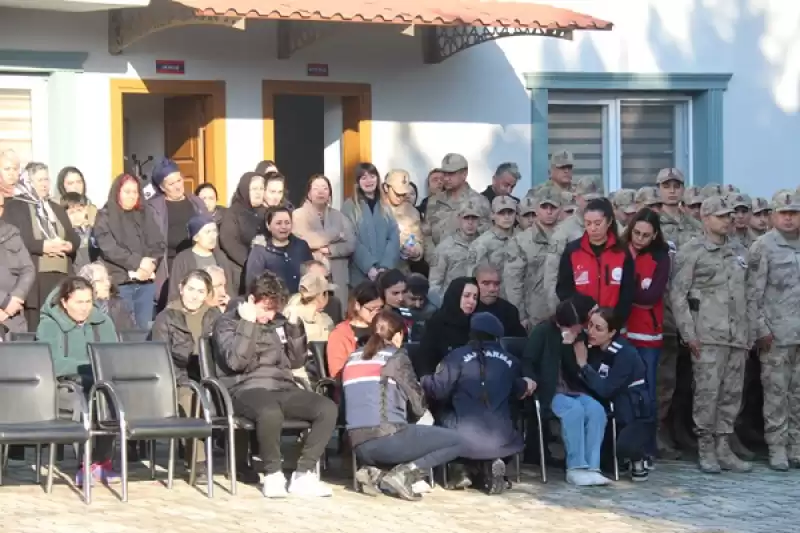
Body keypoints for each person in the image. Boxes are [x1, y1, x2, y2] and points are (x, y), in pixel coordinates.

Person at [213, 271, 338, 498]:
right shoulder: (227, 322)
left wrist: (293, 327)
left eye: (274, 310)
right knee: (270, 412)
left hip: (283, 387)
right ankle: (273, 474)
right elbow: (235, 362)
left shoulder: (278, 322)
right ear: (251, 300)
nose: (270, 316)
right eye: (265, 308)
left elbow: (297, 361)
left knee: (326, 408)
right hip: (245, 388)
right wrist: (249, 323)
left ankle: (303, 473)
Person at [670, 195, 752, 474]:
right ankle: (706, 447)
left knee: (731, 395)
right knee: (707, 393)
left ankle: (724, 447)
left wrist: (750, 329)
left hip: (737, 335)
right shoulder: (692, 251)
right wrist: (688, 333)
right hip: (707, 335)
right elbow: (678, 295)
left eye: (729, 215)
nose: (728, 220)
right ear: (705, 218)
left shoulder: (740, 251)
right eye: (721, 215)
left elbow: (750, 294)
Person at [344, 310, 462, 501]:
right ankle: (405, 474)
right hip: (386, 438)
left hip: (357, 444)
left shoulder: (351, 358)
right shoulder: (396, 357)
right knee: (457, 441)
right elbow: (418, 404)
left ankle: (376, 472)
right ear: (398, 335)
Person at [422, 312, 534, 494]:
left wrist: (423, 379)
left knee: (443, 415)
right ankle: (489, 466)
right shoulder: (511, 361)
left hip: (464, 438)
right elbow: (518, 391)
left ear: (471, 333)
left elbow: (437, 390)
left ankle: (459, 470)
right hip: (502, 438)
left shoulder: (457, 357)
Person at [35, 276, 119, 486]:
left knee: (110, 399)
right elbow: (52, 363)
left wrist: (99, 370)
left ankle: (103, 461)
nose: (84, 308)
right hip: (61, 387)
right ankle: (85, 463)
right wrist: (88, 366)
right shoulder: (49, 325)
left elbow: (113, 356)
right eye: (78, 302)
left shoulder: (103, 322)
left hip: (99, 383)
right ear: (64, 301)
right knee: (82, 403)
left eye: (88, 302)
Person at [523, 295, 610, 486]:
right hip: (551, 391)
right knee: (574, 411)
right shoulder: (543, 331)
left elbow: (576, 370)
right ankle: (576, 467)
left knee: (596, 410)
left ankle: (593, 466)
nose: (578, 329)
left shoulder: (580, 338)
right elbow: (528, 361)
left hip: (573, 389)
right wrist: (529, 379)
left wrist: (573, 349)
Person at [746, 190, 800, 471]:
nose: (789, 218)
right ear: (773, 215)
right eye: (784, 212)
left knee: (798, 394)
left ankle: (797, 446)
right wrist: (761, 329)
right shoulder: (763, 247)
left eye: (794, 212)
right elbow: (753, 294)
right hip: (776, 335)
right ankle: (777, 447)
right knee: (776, 394)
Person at [150, 270, 221, 481]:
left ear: (208, 294)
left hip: (209, 376)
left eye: (200, 291)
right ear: (181, 289)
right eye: (190, 289)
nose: (194, 295)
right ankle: (198, 462)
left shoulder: (215, 316)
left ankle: (242, 461)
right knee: (191, 399)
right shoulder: (166, 317)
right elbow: (159, 356)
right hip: (178, 377)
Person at [575, 308, 656, 482]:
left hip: (633, 412)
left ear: (612, 332)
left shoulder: (625, 353)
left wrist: (583, 366)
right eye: (590, 325)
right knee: (606, 465)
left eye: (598, 328)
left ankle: (639, 457)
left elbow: (606, 389)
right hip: (608, 408)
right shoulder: (594, 347)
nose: (591, 331)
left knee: (624, 448)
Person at [2, 162, 80, 330]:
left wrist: (69, 245)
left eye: (47, 179)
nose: (45, 184)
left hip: (61, 275)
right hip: (36, 277)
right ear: (28, 182)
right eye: (40, 180)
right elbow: (17, 238)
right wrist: (43, 246)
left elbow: (73, 236)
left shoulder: (55, 208)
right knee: (37, 325)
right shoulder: (16, 206)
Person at [622, 208, 671, 465]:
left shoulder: (661, 258)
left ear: (655, 236)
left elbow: (651, 295)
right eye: (636, 233)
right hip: (619, 331)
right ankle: (623, 445)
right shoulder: (619, 251)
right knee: (622, 390)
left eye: (646, 235)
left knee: (647, 392)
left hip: (648, 335)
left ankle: (648, 446)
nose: (639, 239)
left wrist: (625, 295)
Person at [92, 173, 164, 329]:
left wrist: (150, 264)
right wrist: (138, 263)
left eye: (135, 192)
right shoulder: (105, 216)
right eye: (127, 192)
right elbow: (109, 248)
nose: (132, 196)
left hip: (145, 282)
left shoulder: (145, 214)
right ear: (117, 192)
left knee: (143, 331)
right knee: (123, 330)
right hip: (121, 283)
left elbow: (158, 244)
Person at [555, 197, 635, 324]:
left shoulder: (622, 252)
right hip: (581, 324)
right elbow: (564, 290)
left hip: (612, 325)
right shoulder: (573, 251)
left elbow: (628, 292)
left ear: (609, 222)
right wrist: (585, 307)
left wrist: (614, 320)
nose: (593, 228)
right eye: (588, 223)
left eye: (598, 223)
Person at [146, 158, 208, 306]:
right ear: (162, 187)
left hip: (196, 261)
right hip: (169, 265)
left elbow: (208, 228)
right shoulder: (153, 208)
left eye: (178, 180)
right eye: (171, 184)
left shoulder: (196, 203)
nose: (177, 186)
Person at [292, 174, 355, 306]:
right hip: (312, 275)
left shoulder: (339, 216)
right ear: (308, 194)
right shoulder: (298, 215)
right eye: (316, 188)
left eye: (325, 188)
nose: (321, 192)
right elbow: (305, 240)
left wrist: (330, 249)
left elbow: (350, 243)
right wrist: (336, 234)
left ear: (330, 194)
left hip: (337, 274)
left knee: (338, 313)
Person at [504, 186, 561, 331]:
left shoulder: (568, 237)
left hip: (564, 313)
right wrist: (520, 316)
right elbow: (513, 283)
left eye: (553, 207)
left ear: (559, 209)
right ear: (536, 209)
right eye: (544, 207)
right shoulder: (520, 241)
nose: (549, 211)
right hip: (534, 316)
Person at [421, 154, 491, 266]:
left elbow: (486, 238)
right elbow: (427, 234)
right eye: (445, 173)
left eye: (451, 174)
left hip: (467, 269)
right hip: (438, 268)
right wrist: (433, 258)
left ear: (464, 174)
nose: (446, 178)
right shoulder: (434, 201)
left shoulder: (480, 202)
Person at [342, 164, 401, 285]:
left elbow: (394, 236)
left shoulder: (385, 205)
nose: (369, 181)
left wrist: (385, 266)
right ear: (358, 182)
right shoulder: (349, 206)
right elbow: (351, 239)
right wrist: (369, 267)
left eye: (372, 176)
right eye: (364, 178)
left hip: (385, 275)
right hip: (360, 275)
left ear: (377, 179)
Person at [415, 277, 479, 377]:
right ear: (455, 296)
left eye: (475, 297)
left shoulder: (477, 324)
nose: (472, 301)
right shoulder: (437, 323)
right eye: (466, 296)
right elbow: (425, 363)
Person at [219, 172, 267, 294]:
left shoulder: (266, 212)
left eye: (261, 188)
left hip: (264, 268)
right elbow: (229, 241)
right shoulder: (233, 213)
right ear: (245, 189)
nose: (258, 192)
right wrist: (251, 261)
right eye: (254, 189)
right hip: (240, 269)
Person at [246, 206, 313, 293]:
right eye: (278, 223)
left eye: (287, 223)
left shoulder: (301, 246)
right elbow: (252, 283)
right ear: (268, 225)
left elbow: (312, 274)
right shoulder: (260, 251)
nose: (284, 227)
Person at [168, 213, 232, 302]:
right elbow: (174, 294)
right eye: (208, 232)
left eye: (214, 231)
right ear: (196, 237)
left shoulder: (220, 257)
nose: (213, 236)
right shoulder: (182, 259)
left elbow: (229, 289)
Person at [326, 281, 383, 381]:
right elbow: (336, 372)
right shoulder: (340, 334)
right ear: (357, 305)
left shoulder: (381, 328)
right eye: (371, 309)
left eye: (379, 309)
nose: (375, 313)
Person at [428, 201, 481, 297]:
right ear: (459, 219)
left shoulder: (484, 245)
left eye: (474, 218)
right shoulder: (444, 248)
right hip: (453, 303)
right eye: (466, 218)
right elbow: (434, 285)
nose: (470, 222)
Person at [0, 194, 35, 335]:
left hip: (13, 315)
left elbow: (28, 269)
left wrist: (16, 297)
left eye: (0, 206)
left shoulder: (11, 232)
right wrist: (4, 301)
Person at [466, 195, 517, 285]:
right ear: (492, 215)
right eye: (501, 213)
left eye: (510, 212)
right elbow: (472, 279)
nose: (507, 217)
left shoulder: (524, 239)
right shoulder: (481, 244)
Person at [381, 169, 424, 274]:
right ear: (386, 187)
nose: (401, 198)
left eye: (404, 194)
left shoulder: (411, 212)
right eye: (397, 193)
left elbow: (418, 240)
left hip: (400, 270)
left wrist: (415, 251)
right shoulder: (375, 207)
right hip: (377, 270)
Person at [78, 262, 136, 331]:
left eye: (108, 279)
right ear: (87, 284)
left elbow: (129, 335)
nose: (107, 284)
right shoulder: (77, 309)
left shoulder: (119, 306)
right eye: (100, 280)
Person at [474, 265, 526, 338]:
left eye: (496, 284)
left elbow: (519, 344)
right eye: (486, 283)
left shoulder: (510, 311)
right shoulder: (464, 309)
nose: (492, 289)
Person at [61, 192, 94, 271]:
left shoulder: (93, 230)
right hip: (78, 273)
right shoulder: (65, 234)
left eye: (79, 210)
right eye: (71, 213)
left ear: (86, 210)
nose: (76, 215)